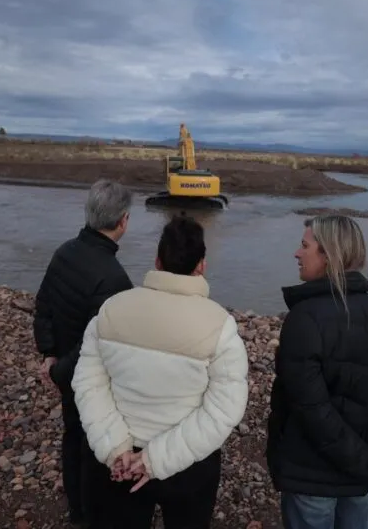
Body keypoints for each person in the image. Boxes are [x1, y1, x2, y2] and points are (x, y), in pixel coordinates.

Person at [70, 215, 249, 529]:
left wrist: (116, 448)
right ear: (202, 266)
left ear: (157, 260)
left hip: (117, 463)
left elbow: (88, 385)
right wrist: (155, 460)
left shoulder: (110, 310)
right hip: (188, 465)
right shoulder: (220, 326)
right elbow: (223, 410)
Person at [266, 214, 368, 529]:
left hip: (312, 478)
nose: (297, 253)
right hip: (364, 474)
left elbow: (310, 410)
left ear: (328, 255)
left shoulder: (303, 319)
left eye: (305, 245)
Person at [32, 179, 134, 528]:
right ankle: (89, 516)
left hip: (63, 366)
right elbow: (97, 345)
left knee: (72, 437)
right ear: (123, 221)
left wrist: (49, 355)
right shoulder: (115, 280)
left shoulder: (64, 251)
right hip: (86, 379)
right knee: (92, 449)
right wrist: (59, 370)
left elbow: (43, 305)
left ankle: (77, 512)